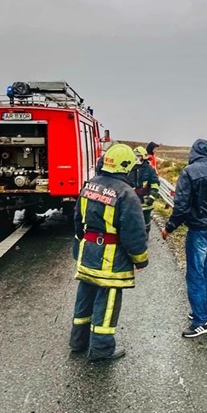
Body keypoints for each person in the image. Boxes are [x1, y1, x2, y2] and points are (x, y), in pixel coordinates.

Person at [70, 143, 149, 362]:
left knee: (84, 296)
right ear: (126, 167)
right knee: (107, 303)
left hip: (88, 253)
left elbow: (77, 221)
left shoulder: (90, 186)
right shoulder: (127, 194)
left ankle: (78, 341)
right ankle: (101, 349)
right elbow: (134, 233)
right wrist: (141, 260)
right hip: (110, 260)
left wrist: (82, 245)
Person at [161, 139, 207, 338]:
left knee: (195, 274)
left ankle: (201, 321)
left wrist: (169, 227)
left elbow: (181, 207)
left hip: (199, 229)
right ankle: (203, 313)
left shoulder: (189, 172)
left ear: (193, 153)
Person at [132, 146, 160, 235]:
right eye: (135, 156)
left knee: (146, 220)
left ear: (143, 156)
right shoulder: (130, 168)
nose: (136, 158)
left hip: (145, 202)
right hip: (132, 201)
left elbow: (155, 184)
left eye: (138, 156)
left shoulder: (150, 170)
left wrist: (152, 197)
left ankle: (145, 234)